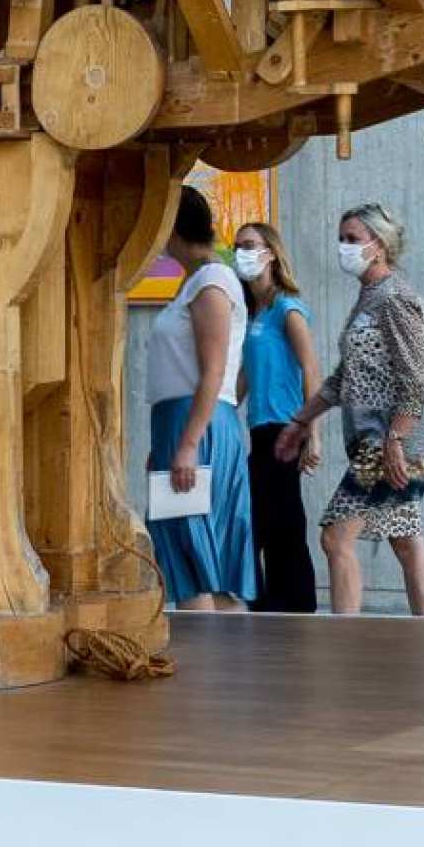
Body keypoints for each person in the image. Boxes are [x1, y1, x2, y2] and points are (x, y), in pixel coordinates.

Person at [287, 202, 424, 616]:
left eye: (352, 239)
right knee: (407, 542)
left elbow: (418, 379)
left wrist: (395, 440)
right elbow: (345, 378)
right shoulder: (370, 298)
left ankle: (345, 640)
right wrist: (302, 419)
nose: (344, 247)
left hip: (389, 446)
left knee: (336, 539)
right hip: (379, 444)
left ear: (380, 244)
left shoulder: (394, 299)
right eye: (341, 238)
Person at [144, 187, 255, 611]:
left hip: (198, 426)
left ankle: (210, 670)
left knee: (196, 561)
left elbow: (213, 371)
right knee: (197, 558)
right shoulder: (198, 281)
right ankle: (225, 669)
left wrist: (187, 444)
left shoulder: (212, 281)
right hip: (184, 424)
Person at [230, 218, 319, 614]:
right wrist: (222, 412)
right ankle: (268, 603)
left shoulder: (287, 308)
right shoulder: (254, 314)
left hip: (285, 427)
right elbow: (246, 374)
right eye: (238, 245)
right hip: (259, 429)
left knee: (282, 520)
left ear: (270, 253)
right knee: (260, 520)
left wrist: (311, 434)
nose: (242, 253)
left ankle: (297, 606)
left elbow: (311, 371)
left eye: (250, 245)